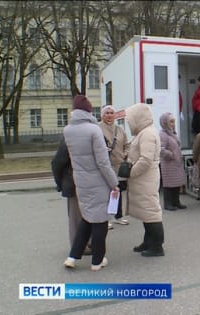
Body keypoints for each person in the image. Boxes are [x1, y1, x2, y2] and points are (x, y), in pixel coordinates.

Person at [63, 95, 119, 271]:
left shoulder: (67, 130)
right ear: (88, 110)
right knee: (100, 221)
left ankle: (72, 257)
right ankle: (97, 261)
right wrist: (114, 183)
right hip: (98, 182)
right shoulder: (94, 130)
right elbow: (103, 162)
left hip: (80, 181)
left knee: (87, 218)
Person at [125, 102, 165, 257]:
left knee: (151, 211)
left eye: (130, 120)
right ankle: (148, 241)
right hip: (144, 178)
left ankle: (157, 246)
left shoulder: (147, 133)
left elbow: (145, 160)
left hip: (145, 178)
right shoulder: (144, 132)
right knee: (146, 212)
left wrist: (131, 173)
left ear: (138, 118)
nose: (129, 124)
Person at [51, 139, 91, 255]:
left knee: (76, 216)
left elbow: (57, 163)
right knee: (87, 214)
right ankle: (85, 243)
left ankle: (79, 245)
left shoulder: (68, 138)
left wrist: (60, 183)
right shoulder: (95, 134)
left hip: (72, 182)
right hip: (89, 183)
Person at [99, 105, 130, 228]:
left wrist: (125, 155)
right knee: (106, 192)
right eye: (107, 113)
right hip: (105, 166)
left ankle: (118, 216)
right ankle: (106, 219)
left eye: (112, 113)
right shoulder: (97, 128)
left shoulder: (120, 129)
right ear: (102, 115)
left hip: (119, 165)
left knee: (119, 191)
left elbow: (127, 145)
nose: (110, 115)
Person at [159, 112, 187, 211]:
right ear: (165, 122)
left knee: (177, 183)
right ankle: (168, 204)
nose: (173, 123)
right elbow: (161, 149)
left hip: (176, 163)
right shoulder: (163, 134)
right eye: (171, 121)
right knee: (169, 185)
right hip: (168, 163)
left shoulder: (172, 132)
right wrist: (171, 155)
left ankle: (176, 201)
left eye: (173, 121)